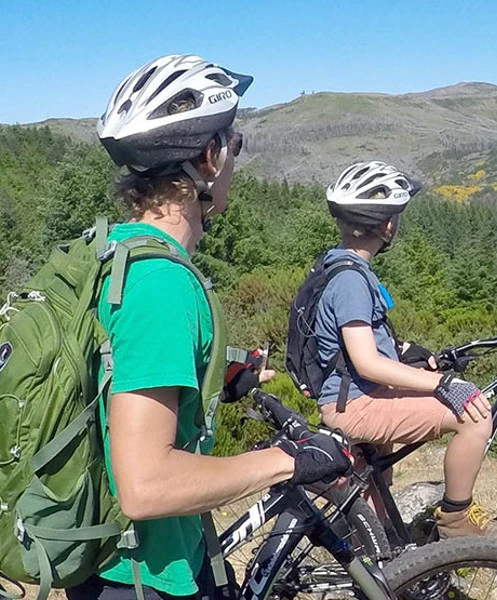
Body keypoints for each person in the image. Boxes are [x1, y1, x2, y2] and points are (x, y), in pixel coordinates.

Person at [67, 54, 351, 600]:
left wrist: (217, 376)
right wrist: (287, 462)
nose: (235, 157)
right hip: (142, 577)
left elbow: (110, 366)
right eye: (234, 143)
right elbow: (146, 486)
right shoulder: (160, 286)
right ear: (209, 157)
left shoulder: (112, 251)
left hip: (114, 559)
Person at [313, 160, 497, 541]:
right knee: (475, 415)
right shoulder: (351, 281)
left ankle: (373, 547)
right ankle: (456, 520)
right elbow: (366, 362)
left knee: (373, 482)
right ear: (386, 225)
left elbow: (360, 343)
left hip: (353, 396)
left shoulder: (339, 266)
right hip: (357, 404)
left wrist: (409, 353)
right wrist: (442, 383)